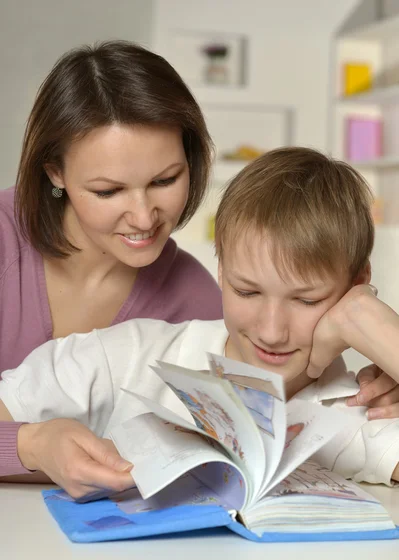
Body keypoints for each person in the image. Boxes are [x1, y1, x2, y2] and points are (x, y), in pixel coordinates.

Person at [1, 147, 399, 500]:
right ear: (222, 271)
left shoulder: (362, 410)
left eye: (306, 300)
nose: (272, 331)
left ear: (356, 287)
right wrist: (31, 446)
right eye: (247, 292)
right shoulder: (123, 355)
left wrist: (383, 332)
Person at [0, 41, 223, 478]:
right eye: (108, 191)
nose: (143, 216)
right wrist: (31, 445)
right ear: (55, 173)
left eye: (165, 180)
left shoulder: (197, 303)